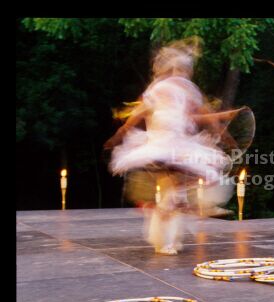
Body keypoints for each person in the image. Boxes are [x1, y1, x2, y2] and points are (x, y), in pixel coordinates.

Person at [104, 37, 253, 255]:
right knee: (173, 193)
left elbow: (201, 116)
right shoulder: (158, 91)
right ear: (169, 70)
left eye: (184, 71)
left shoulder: (186, 91)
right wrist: (120, 134)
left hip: (180, 148)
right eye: (178, 70)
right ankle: (170, 230)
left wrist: (224, 123)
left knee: (176, 193)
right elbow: (138, 114)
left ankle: (171, 231)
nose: (182, 74)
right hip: (161, 149)